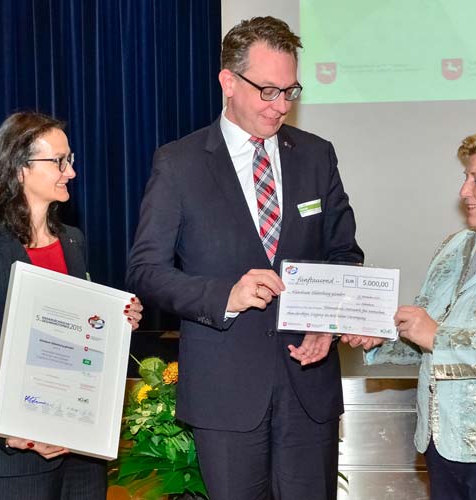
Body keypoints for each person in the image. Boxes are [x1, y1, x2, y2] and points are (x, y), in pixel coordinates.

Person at [126, 16, 363, 500]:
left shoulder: (317, 156)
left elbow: (344, 254)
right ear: (228, 82)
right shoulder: (179, 163)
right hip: (225, 395)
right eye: (268, 90)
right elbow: (146, 270)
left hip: (309, 388)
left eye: (290, 91)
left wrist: (328, 322)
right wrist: (224, 296)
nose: (280, 106)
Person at [0, 111, 143, 500]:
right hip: (17, 461)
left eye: (70, 160)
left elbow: (80, 334)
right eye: (60, 161)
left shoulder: (73, 241)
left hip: (82, 457)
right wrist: (7, 431)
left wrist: (119, 322)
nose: (71, 171)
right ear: (19, 169)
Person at [356, 130, 476, 500]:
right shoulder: (455, 247)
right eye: (465, 178)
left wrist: (437, 336)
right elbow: (425, 334)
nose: (464, 191)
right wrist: (382, 338)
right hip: (442, 448)